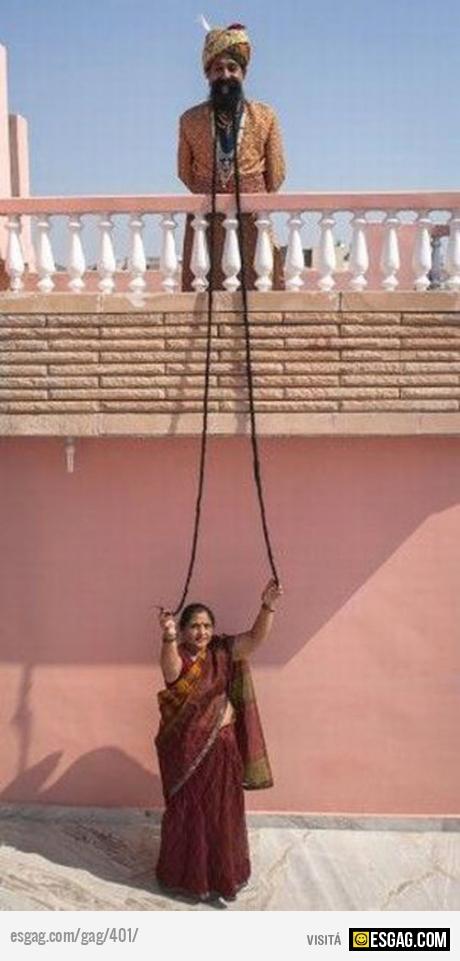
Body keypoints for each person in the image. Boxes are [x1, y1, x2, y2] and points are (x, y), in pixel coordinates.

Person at [155, 577, 283, 906]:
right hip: (187, 754)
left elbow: (255, 640)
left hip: (223, 749)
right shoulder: (179, 655)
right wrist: (168, 636)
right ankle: (185, 876)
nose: (202, 632)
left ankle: (222, 875)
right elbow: (170, 674)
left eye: (207, 626)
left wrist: (267, 605)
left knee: (222, 814)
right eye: (195, 626)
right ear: (183, 631)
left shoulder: (223, 652)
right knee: (191, 814)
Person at [178, 22, 286, 290]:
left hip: (252, 218)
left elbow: (277, 173)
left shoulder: (265, 116)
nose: (225, 74)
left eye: (232, 68)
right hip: (206, 219)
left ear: (243, 73)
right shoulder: (189, 120)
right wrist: (212, 189)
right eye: (217, 69)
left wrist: (248, 190)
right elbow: (184, 172)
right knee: (203, 291)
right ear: (208, 75)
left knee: (258, 287)